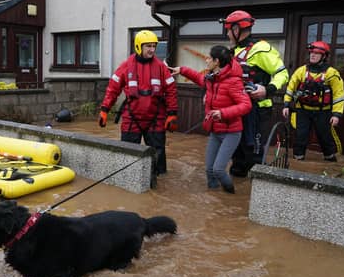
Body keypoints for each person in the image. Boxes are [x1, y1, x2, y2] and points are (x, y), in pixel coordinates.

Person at [169, 45, 251, 193]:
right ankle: (214, 199)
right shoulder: (212, 78)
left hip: (231, 133)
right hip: (215, 130)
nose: (206, 60)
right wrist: (182, 70)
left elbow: (246, 105)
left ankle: (232, 197)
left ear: (217, 61)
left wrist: (223, 113)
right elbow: (199, 78)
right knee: (209, 170)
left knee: (218, 170)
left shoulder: (233, 82)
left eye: (209, 58)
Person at [98, 30, 178, 175]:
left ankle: (158, 184)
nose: (152, 49)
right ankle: (128, 178)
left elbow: (171, 90)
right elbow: (113, 89)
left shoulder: (161, 67)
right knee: (128, 155)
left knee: (158, 157)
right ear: (138, 47)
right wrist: (105, 109)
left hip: (156, 118)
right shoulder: (126, 66)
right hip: (132, 118)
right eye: (148, 46)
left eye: (154, 46)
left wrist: (172, 113)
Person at [220, 10, 289, 177]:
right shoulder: (232, 52)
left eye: (229, 30)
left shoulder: (261, 49)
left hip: (256, 109)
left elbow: (282, 73)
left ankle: (256, 186)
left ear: (237, 30)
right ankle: (237, 187)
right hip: (236, 109)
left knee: (254, 152)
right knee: (237, 150)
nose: (227, 33)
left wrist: (267, 89)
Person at [282, 41, 344, 161]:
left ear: (324, 56)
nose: (313, 55)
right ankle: (298, 159)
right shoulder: (301, 71)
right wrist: (286, 104)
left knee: (324, 136)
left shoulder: (332, 73)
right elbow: (291, 88)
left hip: (323, 112)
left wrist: (336, 114)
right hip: (303, 110)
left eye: (317, 53)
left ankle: (330, 158)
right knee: (301, 136)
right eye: (311, 53)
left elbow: (339, 95)